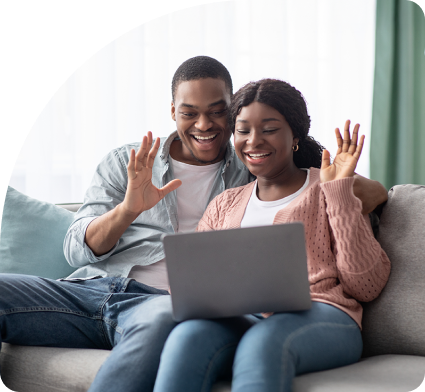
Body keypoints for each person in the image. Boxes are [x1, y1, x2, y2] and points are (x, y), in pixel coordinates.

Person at [0, 58, 387, 392]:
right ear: (173, 111)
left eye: (218, 112)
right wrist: (128, 210)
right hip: (94, 288)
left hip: (167, 305)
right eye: (190, 113)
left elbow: (353, 197)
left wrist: (342, 189)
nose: (205, 125)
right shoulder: (150, 171)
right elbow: (77, 248)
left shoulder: (267, 171)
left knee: (194, 329)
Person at [152, 79, 391, 392]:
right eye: (243, 130)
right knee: (187, 337)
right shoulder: (224, 204)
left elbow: (366, 285)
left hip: (325, 316)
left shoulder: (330, 187)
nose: (254, 141)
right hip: (245, 318)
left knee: (264, 341)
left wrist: (340, 194)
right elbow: (188, 289)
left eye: (268, 129)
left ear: (294, 135)